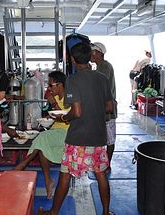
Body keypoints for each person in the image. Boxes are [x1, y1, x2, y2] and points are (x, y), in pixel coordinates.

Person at [39, 42, 114, 215]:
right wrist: (94, 108)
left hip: (78, 137)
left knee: (65, 175)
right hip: (98, 135)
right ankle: (105, 212)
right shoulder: (102, 78)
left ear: (72, 59)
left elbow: (77, 112)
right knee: (101, 173)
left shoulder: (72, 79)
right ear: (89, 57)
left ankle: (53, 213)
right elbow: (109, 106)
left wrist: (64, 117)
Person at [14, 71, 70, 199]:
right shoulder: (54, 96)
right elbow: (52, 114)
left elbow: (67, 118)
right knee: (42, 150)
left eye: (51, 85)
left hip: (68, 132)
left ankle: (23, 164)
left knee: (42, 138)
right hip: (56, 130)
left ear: (60, 85)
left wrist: (54, 104)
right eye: (48, 85)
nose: (49, 89)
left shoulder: (69, 98)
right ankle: (48, 180)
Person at [90, 42, 117, 173]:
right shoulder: (100, 67)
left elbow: (101, 88)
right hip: (102, 108)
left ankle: (107, 164)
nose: (90, 54)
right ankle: (102, 163)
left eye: (92, 52)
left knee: (109, 139)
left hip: (107, 109)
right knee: (104, 138)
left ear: (98, 53)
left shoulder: (105, 66)